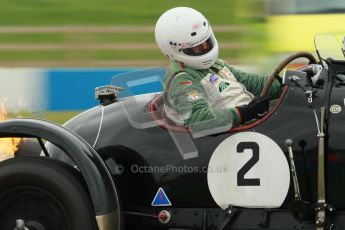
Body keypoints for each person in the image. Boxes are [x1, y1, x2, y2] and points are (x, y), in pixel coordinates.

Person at [155, 7, 281, 131]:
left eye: (206, 42)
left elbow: (252, 82)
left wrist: (286, 81)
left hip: (255, 126)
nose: (205, 48)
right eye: (197, 48)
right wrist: (245, 112)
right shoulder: (182, 80)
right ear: (174, 50)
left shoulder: (215, 65)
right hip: (237, 134)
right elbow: (198, 120)